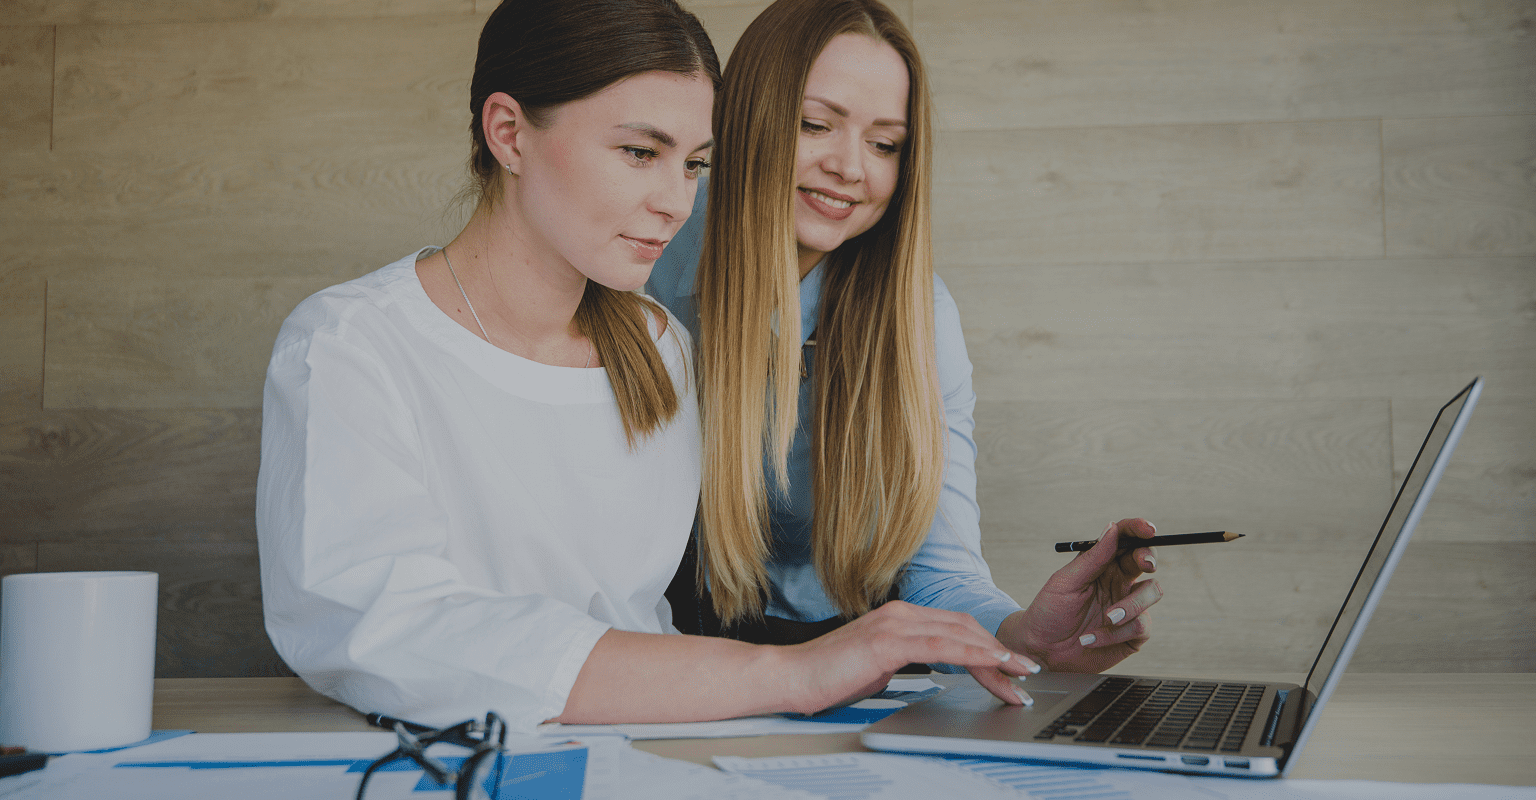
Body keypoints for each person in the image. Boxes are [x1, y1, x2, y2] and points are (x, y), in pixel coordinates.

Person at [257, 0, 1049, 733]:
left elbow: (642, 619)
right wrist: (786, 674)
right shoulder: (348, 343)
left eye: (696, 164)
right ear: (508, 134)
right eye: (641, 152)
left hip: (653, 740)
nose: (676, 201)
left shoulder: (659, 347)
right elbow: (374, 623)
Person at [646, 0, 1163, 681]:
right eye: (814, 124)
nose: (851, 168)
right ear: (744, 118)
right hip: (669, 644)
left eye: (885, 144)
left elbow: (942, 573)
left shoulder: (920, 316)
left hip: (864, 651)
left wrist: (1024, 638)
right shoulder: (647, 259)